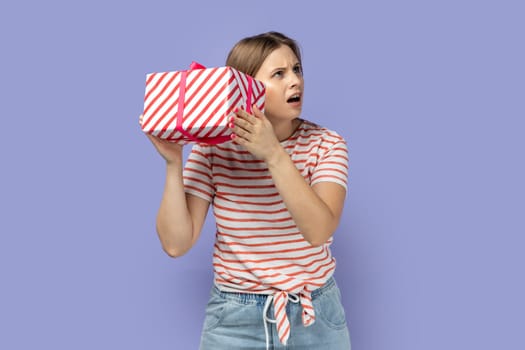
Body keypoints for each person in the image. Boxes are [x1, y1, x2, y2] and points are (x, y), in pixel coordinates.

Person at [143, 31, 351, 349]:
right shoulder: (213, 151)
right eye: (279, 74)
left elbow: (319, 231)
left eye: (296, 69)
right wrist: (174, 163)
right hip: (232, 320)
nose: (295, 81)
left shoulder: (327, 145)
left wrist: (273, 153)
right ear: (245, 88)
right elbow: (175, 244)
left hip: (314, 317)